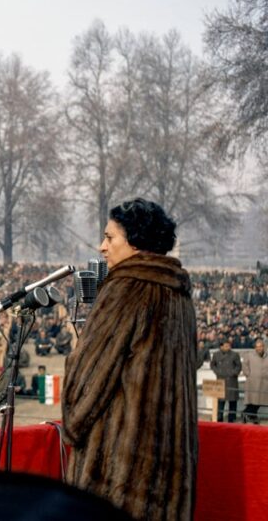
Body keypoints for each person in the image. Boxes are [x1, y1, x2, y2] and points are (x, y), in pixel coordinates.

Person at [61, 198, 197, 521]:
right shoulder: (181, 296)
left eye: (110, 238)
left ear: (135, 242)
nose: (102, 247)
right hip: (170, 482)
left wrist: (72, 420)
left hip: (116, 483)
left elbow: (83, 392)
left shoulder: (125, 289)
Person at [211, 339, 241, 422]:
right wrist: (217, 372)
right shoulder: (216, 355)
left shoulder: (235, 354)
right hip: (220, 380)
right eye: (226, 346)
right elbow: (212, 365)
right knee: (220, 401)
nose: (228, 347)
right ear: (221, 346)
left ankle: (232, 418)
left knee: (232, 401)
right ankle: (219, 417)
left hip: (231, 380)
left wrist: (233, 373)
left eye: (229, 346)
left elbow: (238, 366)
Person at [241, 339, 267, 424]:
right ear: (255, 348)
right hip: (253, 381)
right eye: (257, 347)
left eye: (261, 346)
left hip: (264, 382)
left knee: (259, 401)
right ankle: (248, 414)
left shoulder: (266, 356)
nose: (259, 348)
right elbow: (244, 364)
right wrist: (248, 374)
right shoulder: (250, 355)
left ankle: (250, 415)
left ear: (264, 347)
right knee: (253, 400)